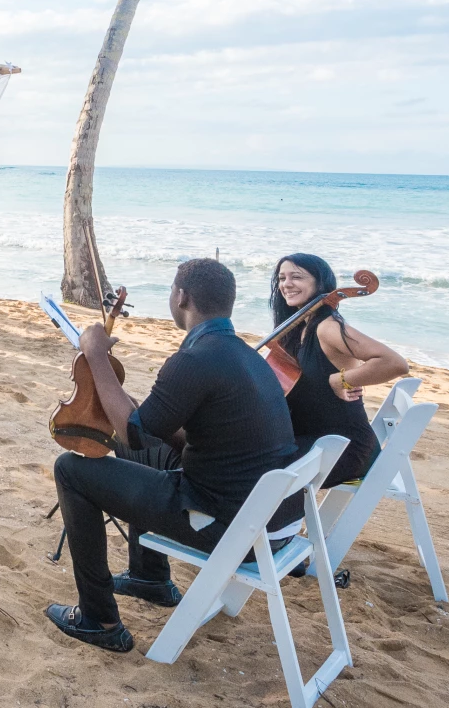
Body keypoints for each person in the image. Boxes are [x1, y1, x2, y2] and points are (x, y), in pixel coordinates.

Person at [45, 258, 299, 653]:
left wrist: (95, 355)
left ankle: (99, 619)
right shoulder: (244, 355)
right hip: (272, 522)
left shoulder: (194, 359)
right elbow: (152, 433)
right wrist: (133, 410)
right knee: (141, 452)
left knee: (71, 470)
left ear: (181, 297)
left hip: (231, 527)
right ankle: (150, 578)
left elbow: (132, 432)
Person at [266, 253, 408, 486]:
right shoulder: (297, 327)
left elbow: (394, 363)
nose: (286, 284)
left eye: (297, 277)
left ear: (320, 283)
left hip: (344, 449)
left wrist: (341, 380)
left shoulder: (327, 328)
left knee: (248, 467)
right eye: (282, 278)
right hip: (315, 441)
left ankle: (279, 522)